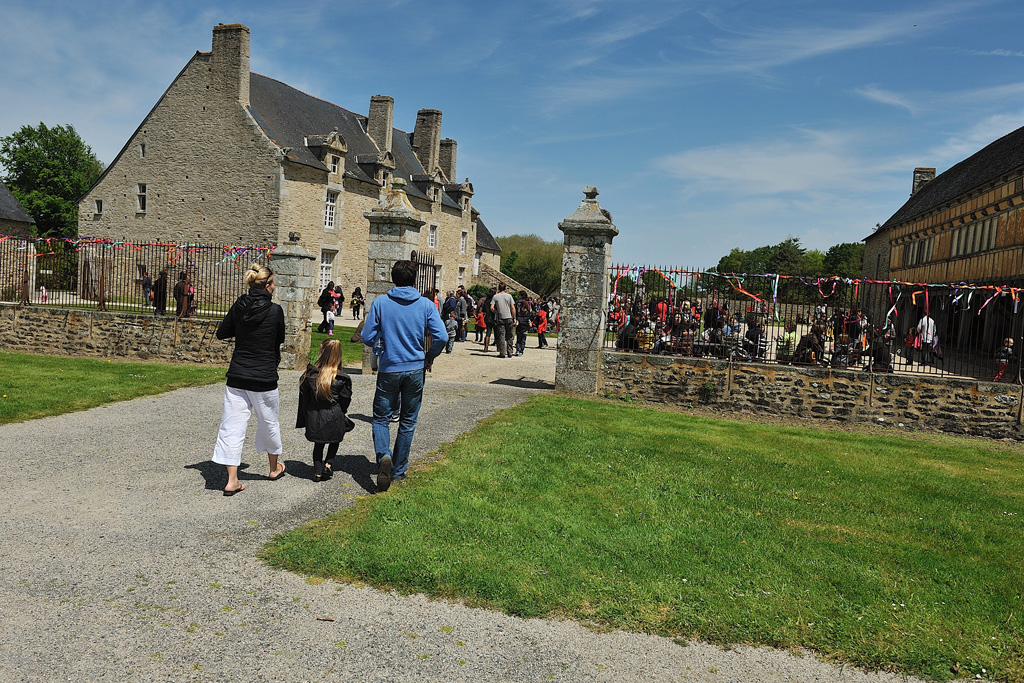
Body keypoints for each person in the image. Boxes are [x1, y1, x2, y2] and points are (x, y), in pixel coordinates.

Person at [361, 260, 447, 492]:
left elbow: (367, 336)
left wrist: (381, 341)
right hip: (415, 368)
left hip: (390, 367)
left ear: (393, 278)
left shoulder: (381, 303)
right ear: (415, 279)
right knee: (408, 421)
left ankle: (383, 457)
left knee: (381, 418)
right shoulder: (426, 305)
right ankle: (398, 470)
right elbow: (442, 337)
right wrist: (429, 355)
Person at [211, 263, 287, 495]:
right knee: (269, 422)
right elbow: (279, 340)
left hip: (238, 375)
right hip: (263, 376)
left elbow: (223, 332)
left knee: (231, 426)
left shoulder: (240, 306)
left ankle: (232, 479)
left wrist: (242, 328)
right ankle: (273, 468)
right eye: (273, 283)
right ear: (267, 285)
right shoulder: (275, 311)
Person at [297, 338, 355, 481]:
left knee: (319, 444)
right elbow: (345, 399)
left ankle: (317, 471)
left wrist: (305, 415)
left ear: (321, 353)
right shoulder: (342, 379)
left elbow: (304, 399)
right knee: (334, 440)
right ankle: (328, 463)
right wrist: (342, 411)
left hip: (315, 414)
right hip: (335, 413)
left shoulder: (309, 375)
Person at [491, 282, 516, 358]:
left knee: (502, 335)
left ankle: (502, 352)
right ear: (505, 288)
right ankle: (510, 352)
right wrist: (514, 318)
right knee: (509, 336)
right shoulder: (509, 296)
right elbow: (512, 307)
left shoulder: (495, 296)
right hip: (508, 317)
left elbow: (491, 308)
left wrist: (496, 311)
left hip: (501, 317)